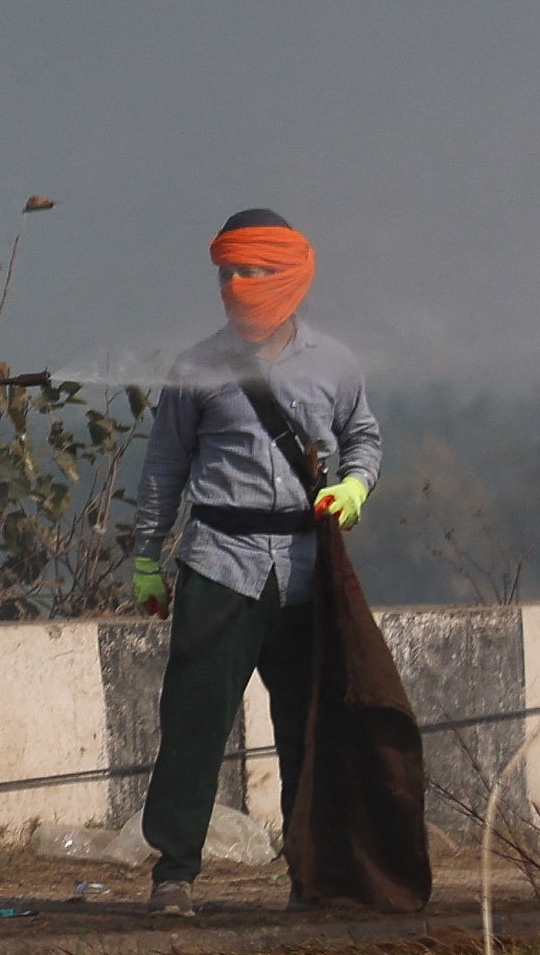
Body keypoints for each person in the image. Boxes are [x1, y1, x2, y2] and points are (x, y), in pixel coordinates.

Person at [121, 206, 383, 913]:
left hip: (303, 565)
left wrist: (355, 486)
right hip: (217, 560)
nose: (239, 284)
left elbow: (364, 436)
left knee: (306, 724)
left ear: (291, 273)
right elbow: (164, 468)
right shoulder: (197, 367)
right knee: (195, 719)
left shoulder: (334, 362)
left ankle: (311, 874)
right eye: (228, 272)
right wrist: (148, 557)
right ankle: (174, 872)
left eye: (255, 270)